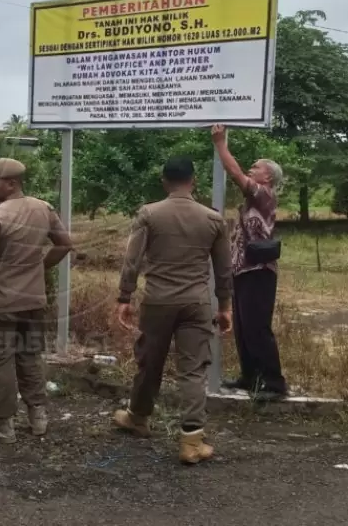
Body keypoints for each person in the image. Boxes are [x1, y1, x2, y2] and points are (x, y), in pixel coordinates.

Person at [112, 156, 233, 464]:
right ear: (193, 181)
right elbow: (223, 269)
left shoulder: (149, 214)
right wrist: (225, 307)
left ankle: (137, 417)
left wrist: (124, 297)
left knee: (149, 362)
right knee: (193, 370)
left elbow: (132, 260)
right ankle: (192, 442)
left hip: (158, 301)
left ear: (164, 181)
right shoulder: (213, 219)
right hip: (196, 303)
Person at [0, 158, 73, 443]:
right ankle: (38, 417)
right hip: (33, 300)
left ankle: (4, 425)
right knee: (29, 356)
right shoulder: (43, 208)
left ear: (11, 183)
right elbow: (64, 244)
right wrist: (40, 267)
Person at [211, 124, 288, 398]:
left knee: (257, 327)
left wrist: (220, 143)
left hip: (259, 270)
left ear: (268, 176)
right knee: (243, 327)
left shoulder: (264, 194)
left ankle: (274, 383)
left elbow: (235, 173)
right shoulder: (256, 198)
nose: (251, 169)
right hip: (244, 269)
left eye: (256, 167)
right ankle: (250, 377)